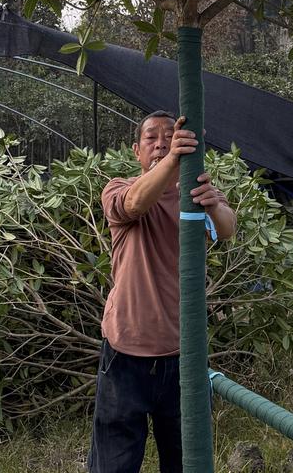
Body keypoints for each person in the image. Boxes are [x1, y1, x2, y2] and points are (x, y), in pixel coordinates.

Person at [88, 110, 237, 473]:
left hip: (182, 355)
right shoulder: (119, 189)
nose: (160, 143)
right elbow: (136, 204)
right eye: (152, 138)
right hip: (125, 353)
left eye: (169, 136)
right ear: (137, 151)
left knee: (185, 461)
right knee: (114, 465)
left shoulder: (193, 199)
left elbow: (228, 228)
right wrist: (172, 160)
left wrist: (214, 203)